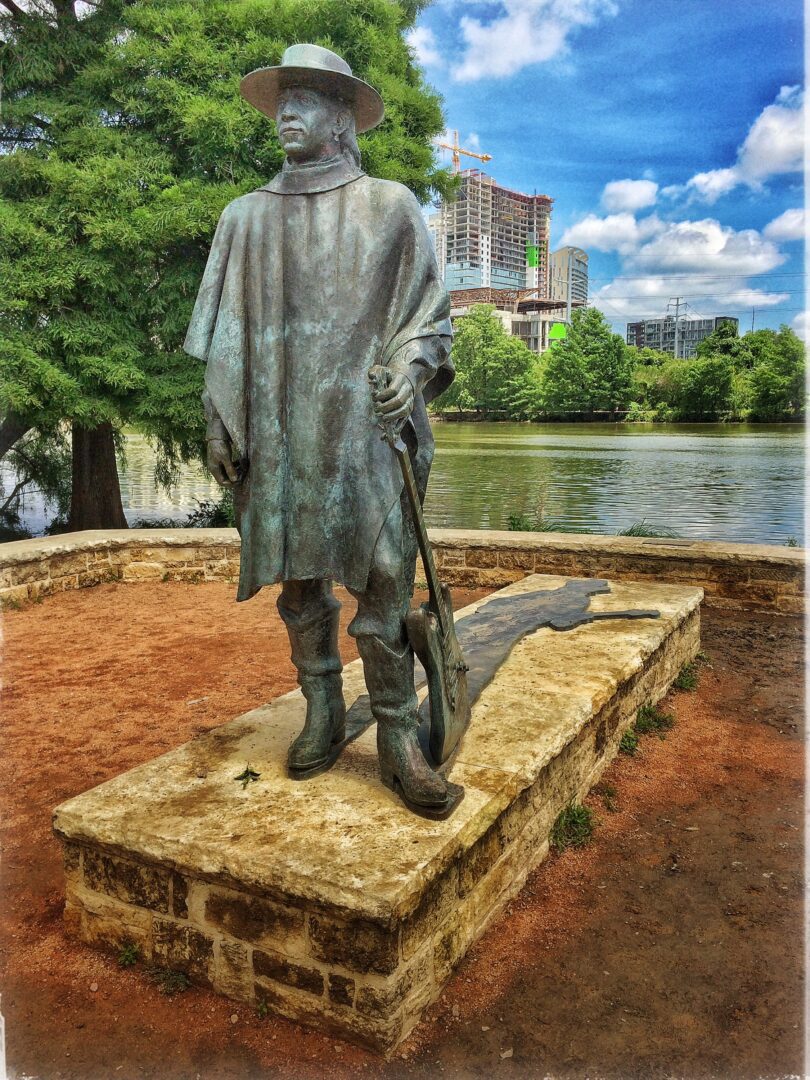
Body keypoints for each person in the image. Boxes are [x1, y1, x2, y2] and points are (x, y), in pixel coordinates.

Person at [183, 44, 457, 818]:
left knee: (380, 581)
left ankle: (399, 737)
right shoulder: (245, 219)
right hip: (278, 424)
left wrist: (407, 368)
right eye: (281, 101)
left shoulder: (389, 207)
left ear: (343, 118)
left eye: (307, 99)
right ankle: (325, 712)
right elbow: (223, 340)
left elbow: (427, 321)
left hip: (363, 432)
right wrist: (218, 419)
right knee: (299, 584)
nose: (287, 113)